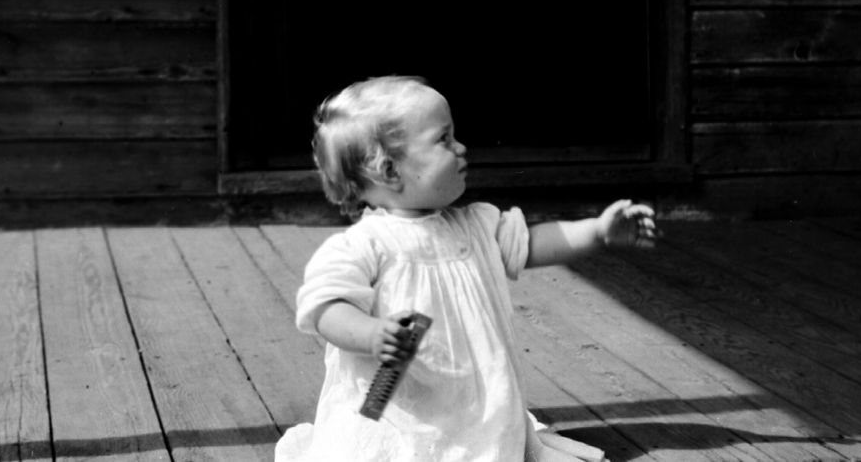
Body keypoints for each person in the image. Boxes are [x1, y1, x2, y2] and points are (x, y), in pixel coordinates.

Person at [275, 75, 659, 462]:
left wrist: (597, 232)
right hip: (400, 399)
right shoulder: (364, 245)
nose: (461, 147)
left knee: (477, 440)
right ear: (390, 170)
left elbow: (531, 244)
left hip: (471, 394)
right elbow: (327, 307)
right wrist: (370, 333)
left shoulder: (474, 225)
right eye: (443, 139)